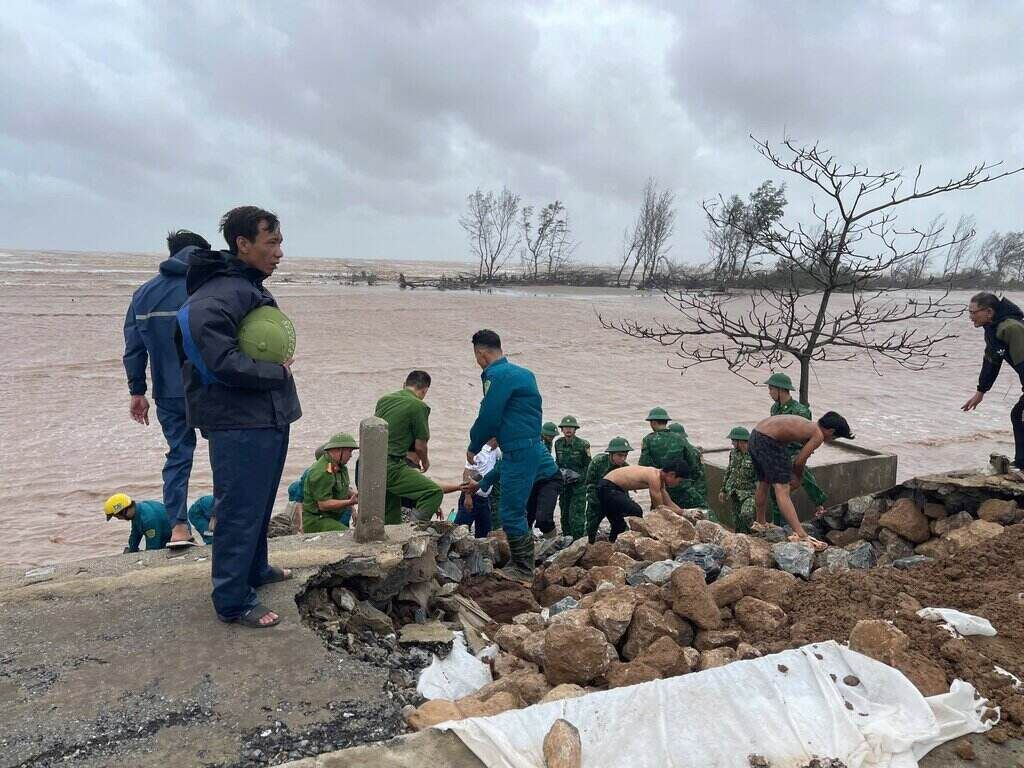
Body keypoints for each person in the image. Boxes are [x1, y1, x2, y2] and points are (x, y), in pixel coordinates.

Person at [176, 206, 301, 629]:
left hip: (264, 415)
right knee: (239, 508)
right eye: (272, 243)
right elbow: (215, 360)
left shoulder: (246, 285)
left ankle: (254, 569)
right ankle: (231, 599)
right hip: (239, 421)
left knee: (261, 502)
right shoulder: (218, 294)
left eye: (280, 242)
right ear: (242, 244)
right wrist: (274, 373)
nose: (280, 252)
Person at [123, 230, 210, 548]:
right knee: (223, 450)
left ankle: (178, 528)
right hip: (209, 386)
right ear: (200, 253)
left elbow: (134, 348)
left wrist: (137, 392)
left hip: (168, 392)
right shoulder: (205, 285)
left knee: (178, 456)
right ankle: (224, 518)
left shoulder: (143, 294)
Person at [464, 329, 559, 582]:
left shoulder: (496, 375)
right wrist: (481, 483)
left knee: (511, 511)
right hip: (529, 446)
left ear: (481, 353)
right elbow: (508, 459)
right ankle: (527, 563)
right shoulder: (524, 374)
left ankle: (523, 569)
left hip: (519, 448)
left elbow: (489, 415)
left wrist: (474, 444)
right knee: (516, 508)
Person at [748, 412, 853, 550]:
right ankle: (801, 534)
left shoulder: (808, 425)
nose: (831, 440)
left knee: (764, 481)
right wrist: (798, 477)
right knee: (782, 489)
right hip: (768, 440)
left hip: (755, 436)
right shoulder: (818, 435)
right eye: (834, 437)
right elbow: (799, 461)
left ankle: (760, 522)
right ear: (831, 431)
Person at [962, 292, 1024, 472]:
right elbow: (991, 362)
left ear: (989, 312)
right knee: (1018, 415)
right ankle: (1021, 464)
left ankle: (1021, 465)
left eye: (974, 312)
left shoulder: (1011, 328)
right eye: (969, 312)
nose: (970, 316)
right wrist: (981, 391)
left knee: (1019, 415)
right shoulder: (992, 329)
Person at [374, 371, 444, 524]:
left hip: (369, 464)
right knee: (434, 492)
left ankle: (388, 542)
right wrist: (425, 462)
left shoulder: (384, 400)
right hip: (391, 465)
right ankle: (412, 530)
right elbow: (420, 446)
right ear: (425, 390)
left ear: (404, 384)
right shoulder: (419, 406)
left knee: (391, 513)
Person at [765, 372, 828, 519]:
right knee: (775, 490)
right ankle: (779, 525)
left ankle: (820, 503)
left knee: (799, 469)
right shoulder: (774, 409)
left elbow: (806, 436)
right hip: (777, 452)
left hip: (794, 450)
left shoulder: (801, 411)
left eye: (771, 389)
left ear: (780, 390)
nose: (769, 393)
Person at [596, 460, 690, 542]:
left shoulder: (660, 480)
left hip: (612, 489)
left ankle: (611, 544)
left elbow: (668, 503)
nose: (678, 484)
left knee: (618, 525)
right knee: (636, 510)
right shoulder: (654, 477)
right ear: (672, 474)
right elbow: (660, 508)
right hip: (607, 487)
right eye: (679, 481)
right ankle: (638, 540)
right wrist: (683, 512)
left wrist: (686, 515)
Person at [302, 432, 359, 532]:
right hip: (317, 520)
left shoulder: (341, 467)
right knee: (349, 536)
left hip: (333, 516)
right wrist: (350, 502)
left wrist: (356, 495)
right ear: (338, 450)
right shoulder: (322, 471)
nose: (350, 456)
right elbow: (323, 504)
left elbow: (343, 488)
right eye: (349, 451)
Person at [585, 436, 632, 543]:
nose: (623, 459)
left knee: (620, 527)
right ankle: (587, 546)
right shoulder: (598, 462)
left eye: (625, 455)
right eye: (620, 455)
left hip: (614, 501)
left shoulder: (625, 468)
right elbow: (589, 483)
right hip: (597, 499)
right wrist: (595, 501)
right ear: (611, 454)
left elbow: (626, 489)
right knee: (590, 528)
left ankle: (613, 544)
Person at [553, 415, 591, 538]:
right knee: (564, 512)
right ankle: (566, 538)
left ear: (575, 430)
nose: (568, 429)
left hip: (578, 486)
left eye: (571, 427)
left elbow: (588, 466)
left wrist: (579, 477)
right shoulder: (558, 443)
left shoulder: (583, 445)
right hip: (564, 485)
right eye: (565, 427)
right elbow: (558, 463)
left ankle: (578, 540)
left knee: (577, 514)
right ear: (562, 430)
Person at [456, 439, 501, 538]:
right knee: (459, 531)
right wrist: (467, 497)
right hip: (472, 496)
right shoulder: (478, 451)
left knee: (484, 534)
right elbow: (467, 473)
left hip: (485, 499)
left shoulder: (496, 451)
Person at [104, 493, 171, 553]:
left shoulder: (148, 519)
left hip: (169, 538)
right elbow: (135, 535)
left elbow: (153, 547)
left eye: (117, 516)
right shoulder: (137, 511)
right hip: (161, 535)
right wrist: (131, 550)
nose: (118, 519)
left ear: (124, 511)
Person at [718, 427, 756, 533]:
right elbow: (729, 471)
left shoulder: (755, 455)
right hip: (735, 492)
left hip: (749, 493)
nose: (732, 443)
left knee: (746, 514)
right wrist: (723, 490)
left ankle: (752, 534)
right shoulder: (734, 453)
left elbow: (760, 477)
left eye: (734, 441)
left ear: (741, 441)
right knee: (737, 521)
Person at [666, 421, 708, 508]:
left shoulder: (679, 450)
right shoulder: (694, 450)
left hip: (689, 489)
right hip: (697, 488)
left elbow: (694, 471)